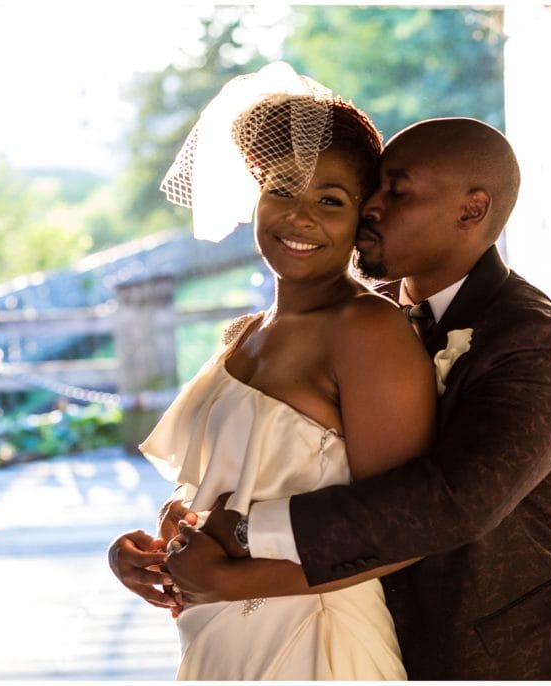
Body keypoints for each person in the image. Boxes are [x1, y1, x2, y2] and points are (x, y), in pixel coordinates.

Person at [161, 116, 551, 680]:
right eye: (373, 187)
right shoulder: (357, 314)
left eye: (396, 191)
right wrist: (176, 545)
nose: (371, 207)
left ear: (471, 210)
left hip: (496, 657)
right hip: (342, 635)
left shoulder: (535, 341)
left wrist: (240, 537)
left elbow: (454, 503)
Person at [108, 62, 436, 679]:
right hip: (216, 640)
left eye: (330, 200)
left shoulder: (367, 332)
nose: (301, 216)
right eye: (282, 188)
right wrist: (148, 552)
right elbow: (220, 486)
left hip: (317, 640)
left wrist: (231, 581)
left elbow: (405, 530)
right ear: (255, 194)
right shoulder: (245, 336)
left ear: (362, 217)